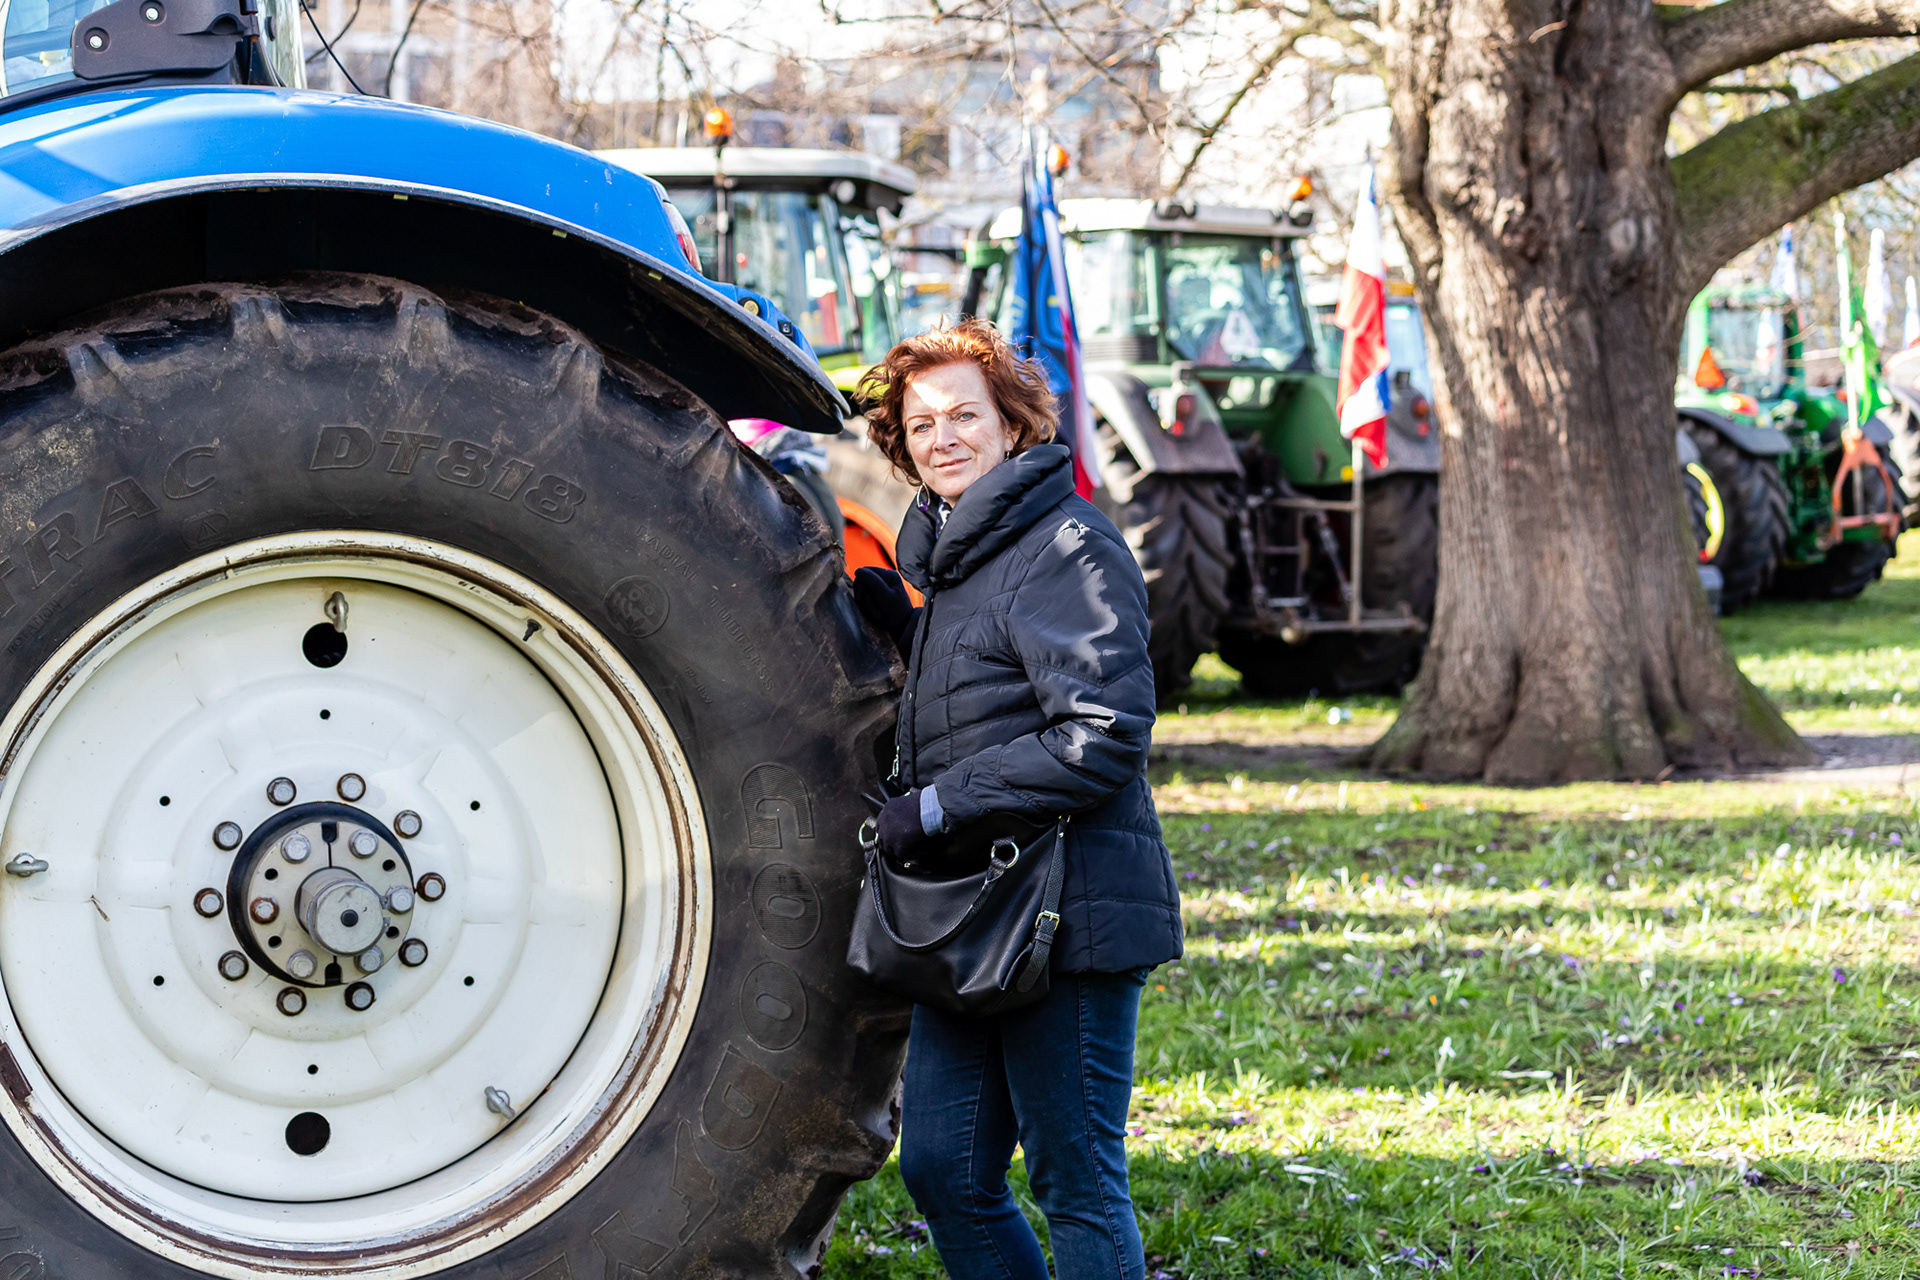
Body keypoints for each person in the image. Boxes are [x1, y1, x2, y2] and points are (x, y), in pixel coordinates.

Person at [851, 320, 1182, 1280]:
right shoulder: (960, 561)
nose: (942, 436)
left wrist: (944, 804)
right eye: (920, 425)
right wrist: (912, 644)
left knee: (1077, 1182)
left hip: (1067, 910)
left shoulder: (1067, 542)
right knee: (946, 1172)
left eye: (965, 414)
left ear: (1013, 426)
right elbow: (1004, 688)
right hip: (976, 916)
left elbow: (1102, 732)